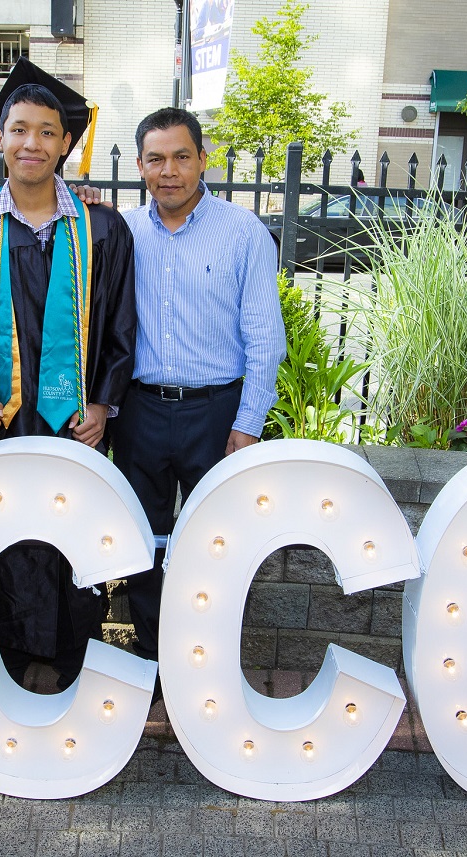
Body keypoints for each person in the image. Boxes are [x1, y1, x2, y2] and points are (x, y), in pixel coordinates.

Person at [0, 83, 137, 690]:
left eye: (47, 132)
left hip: (76, 420)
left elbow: (123, 319)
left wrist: (104, 400)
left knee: (71, 526)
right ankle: (12, 654)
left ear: (66, 143)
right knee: (8, 530)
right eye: (19, 129)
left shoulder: (101, 229)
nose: (32, 143)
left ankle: (74, 650)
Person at [111, 107, 286, 665]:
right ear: (139, 165)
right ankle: (151, 651)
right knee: (143, 541)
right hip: (138, 409)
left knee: (218, 541)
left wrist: (248, 424)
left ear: (203, 160)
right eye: (156, 159)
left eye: (182, 157)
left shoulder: (243, 234)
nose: (169, 171)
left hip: (216, 413)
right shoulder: (123, 233)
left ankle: (206, 653)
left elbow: (264, 337)